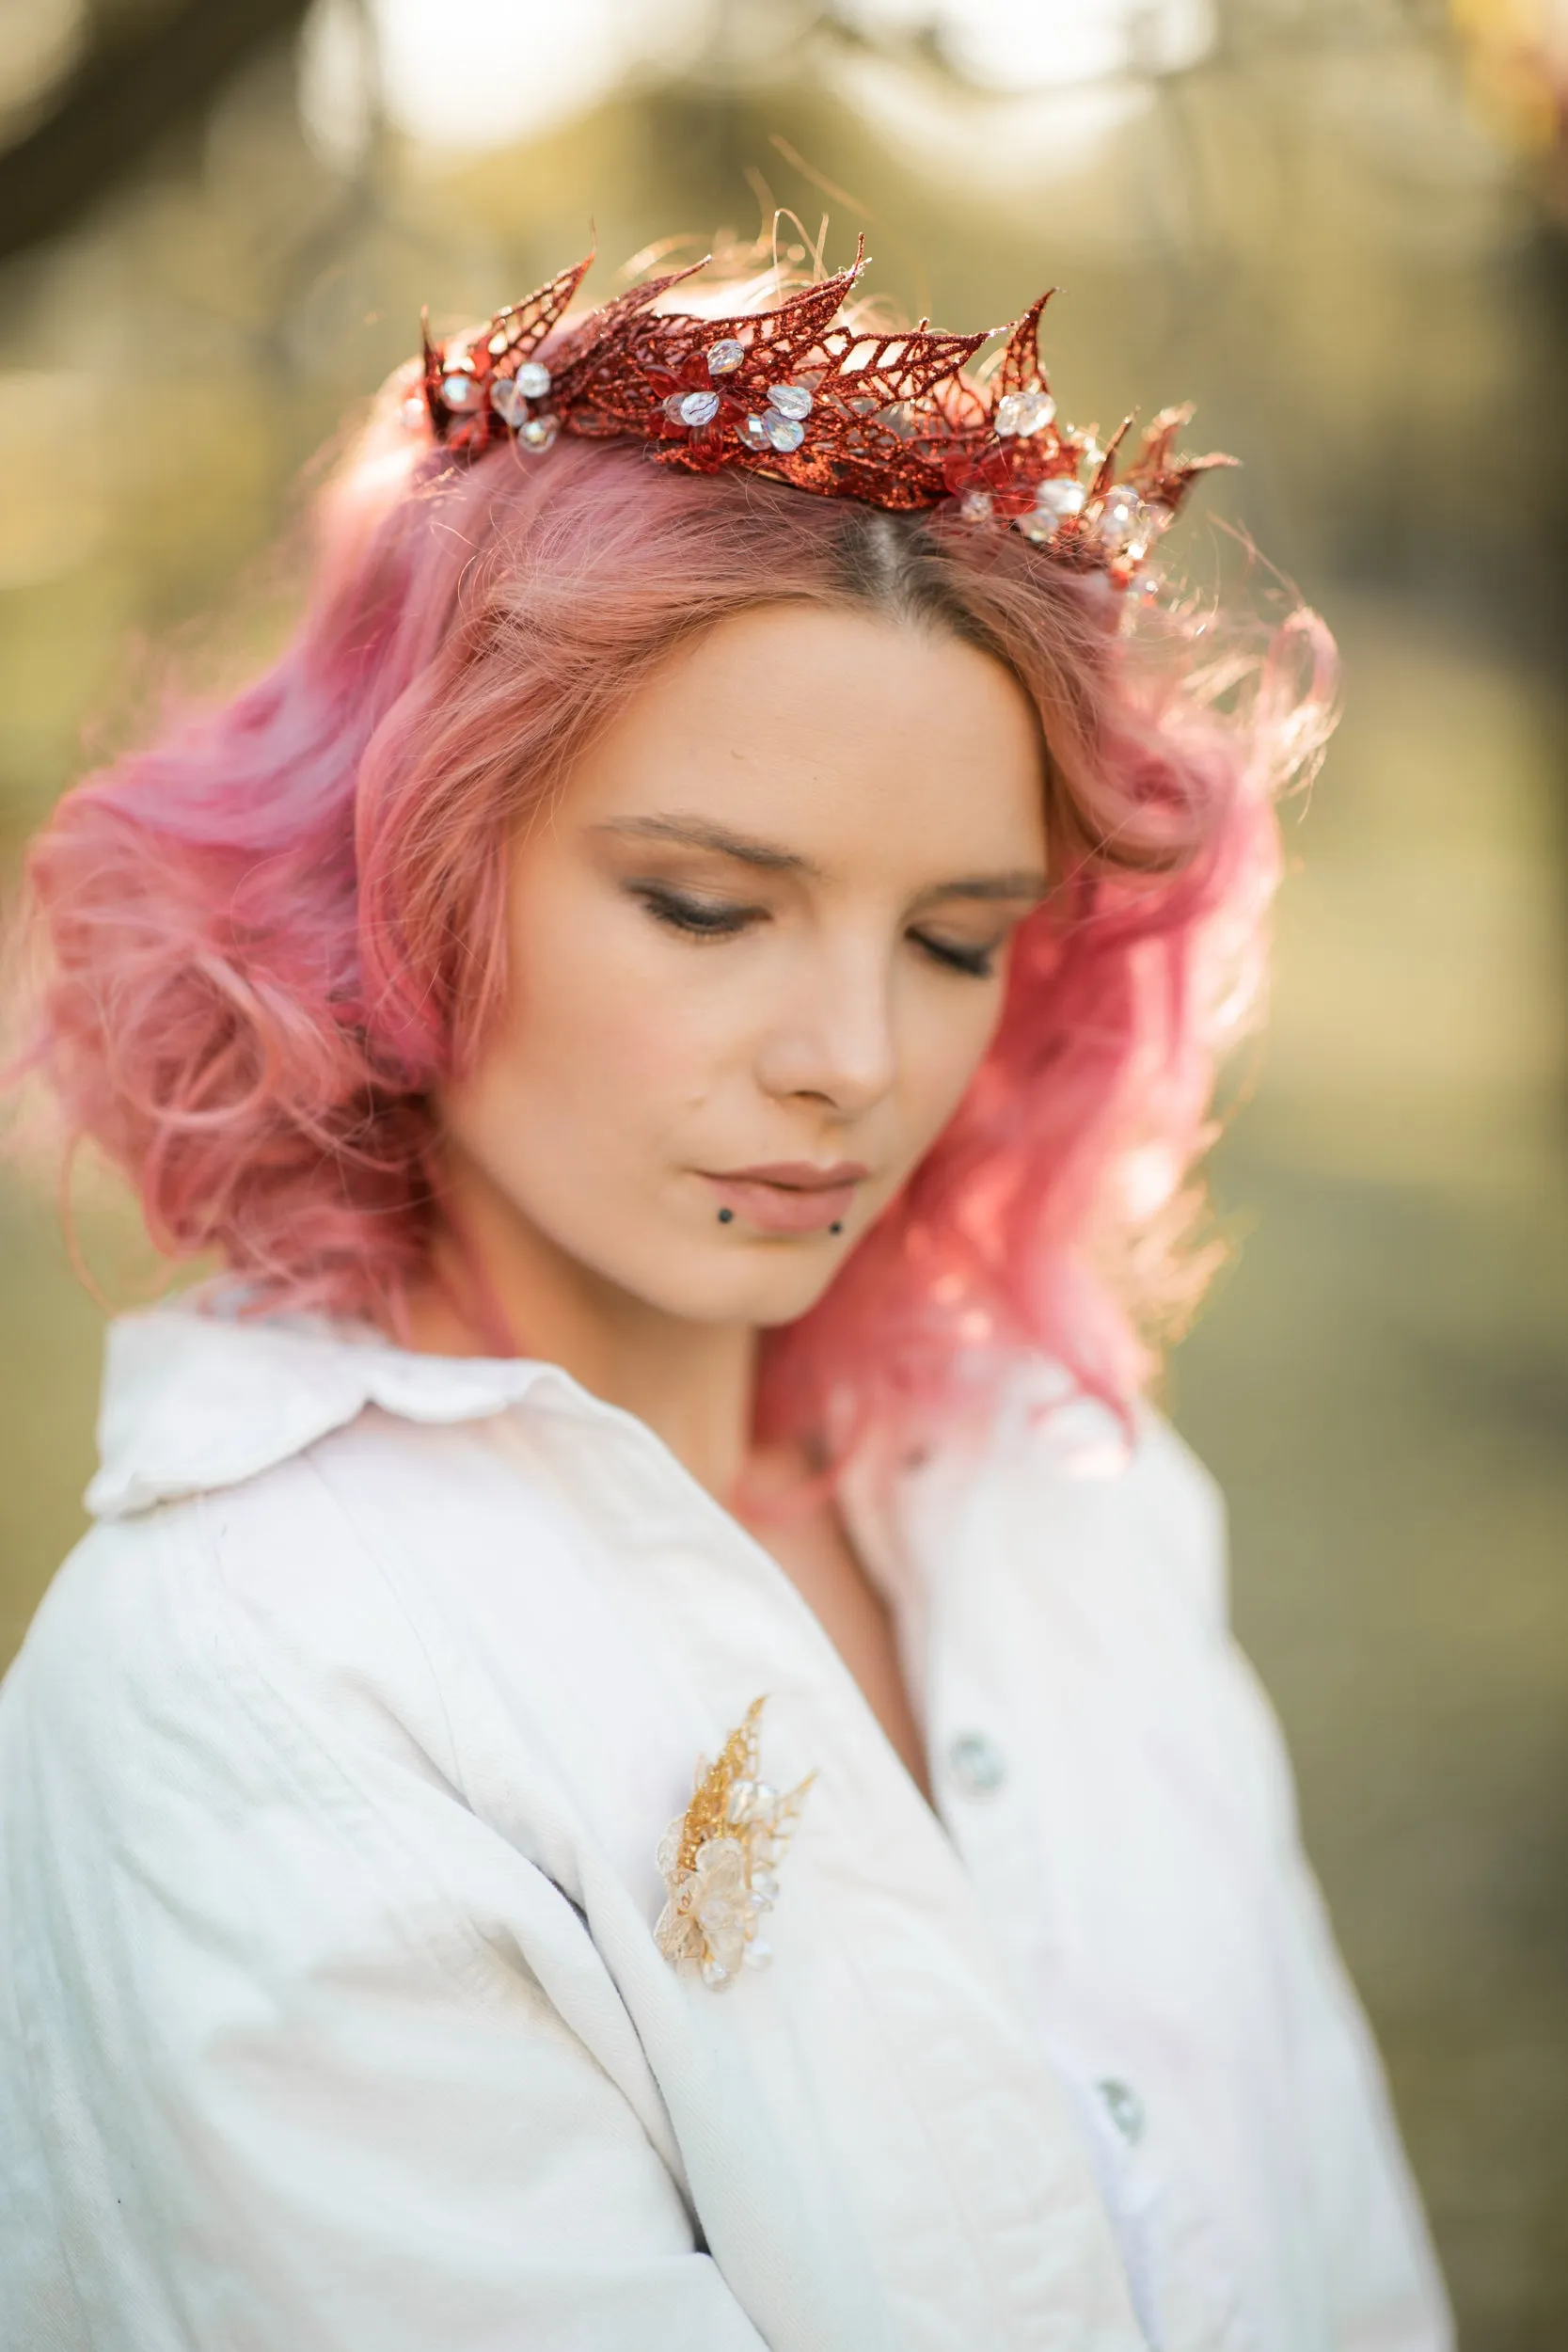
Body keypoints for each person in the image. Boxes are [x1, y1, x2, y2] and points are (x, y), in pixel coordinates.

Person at [0, 242, 1452, 2351]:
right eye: (705, 903)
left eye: (954, 938)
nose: (851, 1058)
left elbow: (1336, 2243)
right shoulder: (246, 1679)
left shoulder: (1058, 1489)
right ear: (405, 865)